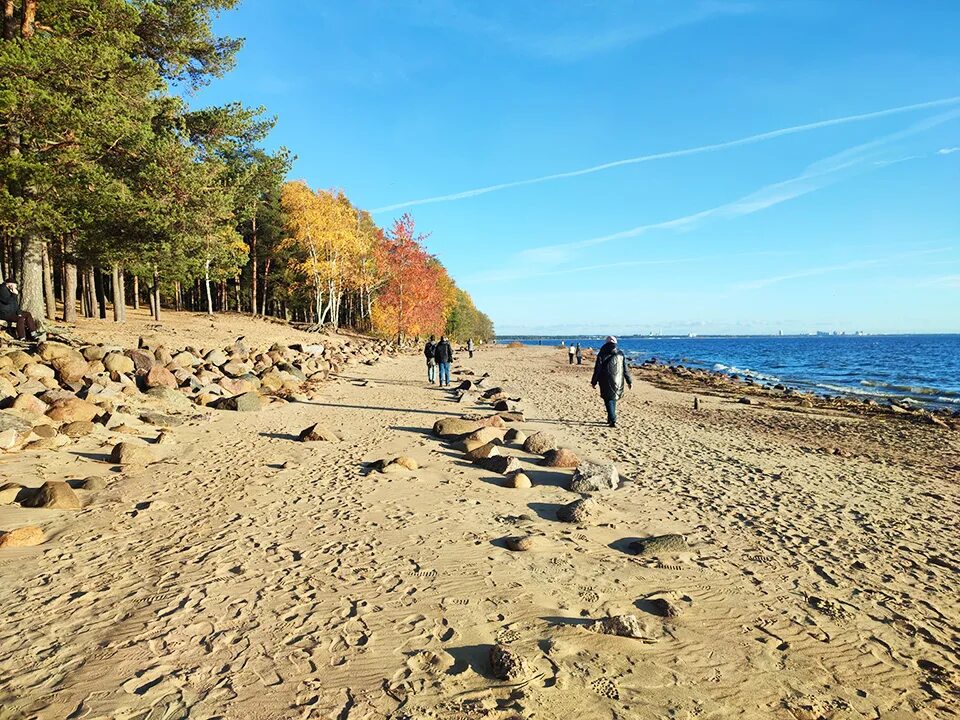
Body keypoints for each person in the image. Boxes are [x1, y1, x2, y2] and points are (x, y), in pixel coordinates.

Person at [591, 335, 632, 427]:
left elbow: (598, 369)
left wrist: (594, 381)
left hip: (605, 379)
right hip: (618, 380)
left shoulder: (602, 353)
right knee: (613, 398)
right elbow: (625, 369)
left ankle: (612, 420)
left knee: (608, 399)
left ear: (606, 342)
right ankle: (610, 418)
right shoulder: (620, 353)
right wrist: (629, 381)